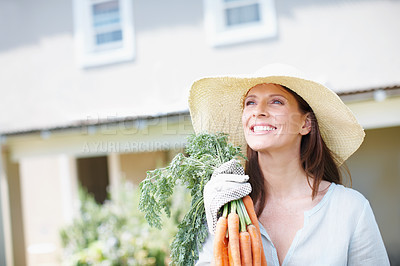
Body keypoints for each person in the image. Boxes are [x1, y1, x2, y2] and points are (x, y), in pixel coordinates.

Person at [188, 64, 390, 265]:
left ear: (305, 124)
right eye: (250, 102)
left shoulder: (350, 209)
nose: (258, 111)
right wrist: (218, 229)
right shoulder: (227, 208)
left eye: (276, 101)